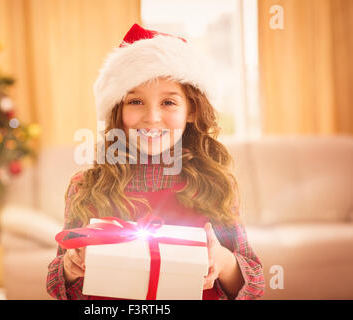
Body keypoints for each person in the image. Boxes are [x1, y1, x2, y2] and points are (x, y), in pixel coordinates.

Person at [46, 23, 264, 300]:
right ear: (118, 111)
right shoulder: (87, 185)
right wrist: (70, 266)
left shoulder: (216, 185)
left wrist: (222, 262)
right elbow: (58, 287)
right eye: (135, 101)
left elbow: (253, 286)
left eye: (168, 103)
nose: (151, 117)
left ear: (191, 110)